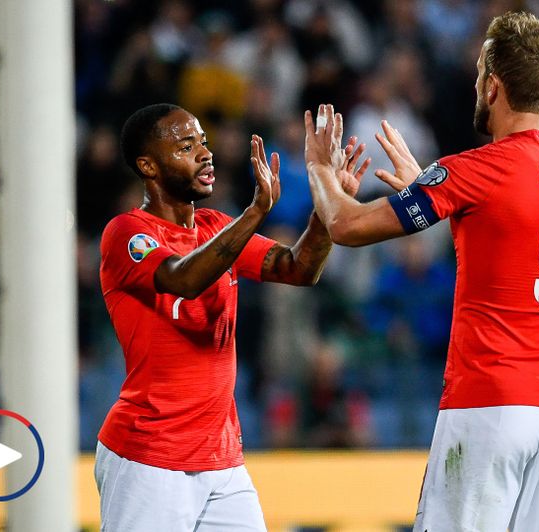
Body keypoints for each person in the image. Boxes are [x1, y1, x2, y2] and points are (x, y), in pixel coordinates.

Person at [303, 12, 539, 531]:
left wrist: (318, 166)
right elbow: (512, 237)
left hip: (490, 405)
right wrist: (433, 191)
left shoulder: (476, 171)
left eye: (477, 70)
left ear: (493, 85)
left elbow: (346, 225)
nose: (472, 80)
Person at [93, 103, 368, 531]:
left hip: (221, 460)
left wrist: (327, 207)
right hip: (149, 456)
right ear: (148, 165)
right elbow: (182, 279)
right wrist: (255, 212)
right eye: (186, 147)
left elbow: (298, 269)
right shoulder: (127, 234)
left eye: (203, 142)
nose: (205, 153)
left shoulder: (216, 226)